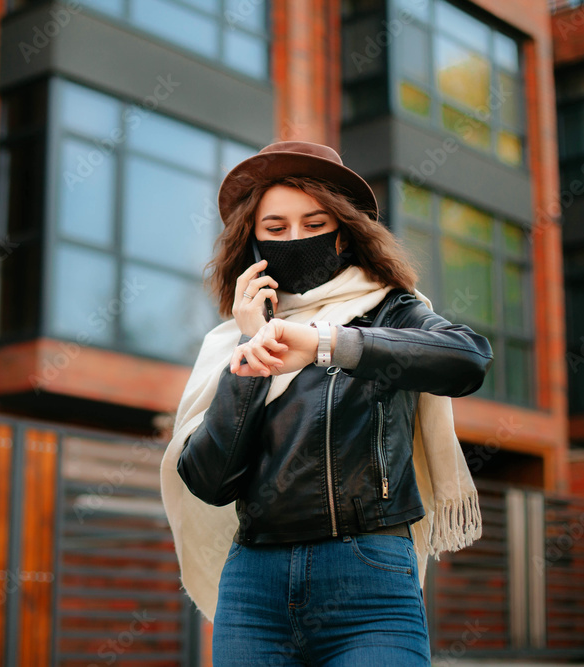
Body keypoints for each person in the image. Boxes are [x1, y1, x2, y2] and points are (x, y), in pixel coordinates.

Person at [159, 140, 494, 666]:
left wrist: (325, 343)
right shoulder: (230, 344)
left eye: (314, 224)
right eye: (275, 229)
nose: (295, 239)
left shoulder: (390, 311)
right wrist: (253, 348)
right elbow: (208, 481)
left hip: (369, 578)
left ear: (344, 234)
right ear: (252, 243)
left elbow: (467, 359)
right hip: (254, 586)